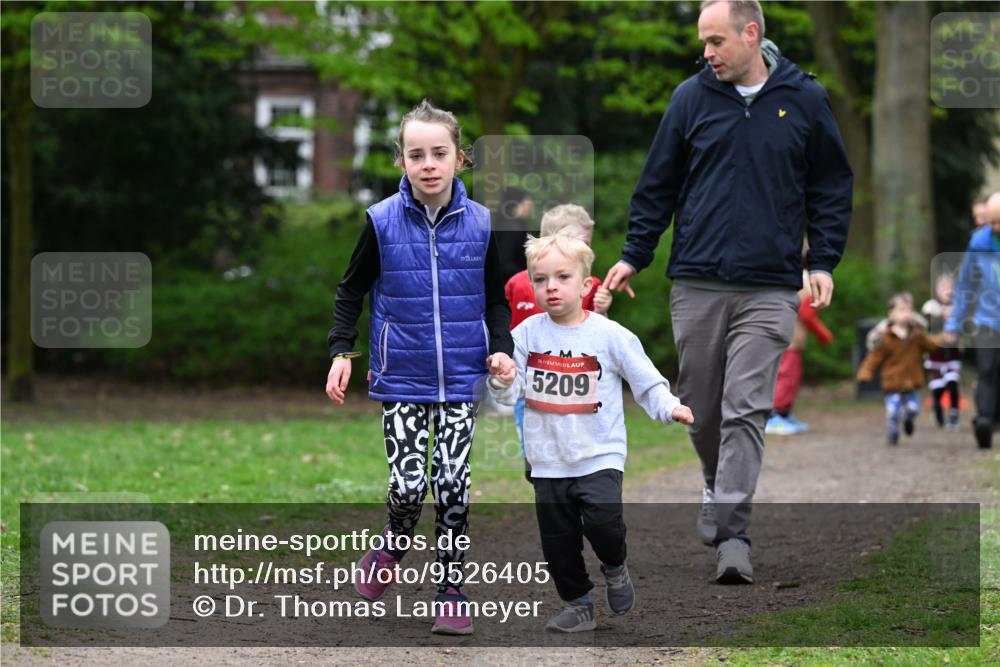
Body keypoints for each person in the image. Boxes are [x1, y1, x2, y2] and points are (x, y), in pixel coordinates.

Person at [603, 0, 853, 584]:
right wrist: (636, 255)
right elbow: (657, 184)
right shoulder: (691, 98)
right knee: (703, 409)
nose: (706, 53)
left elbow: (831, 185)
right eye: (703, 42)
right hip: (696, 280)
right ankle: (717, 485)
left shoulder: (806, 99)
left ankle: (734, 534)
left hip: (770, 285)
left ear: (751, 34)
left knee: (747, 410)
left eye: (716, 41)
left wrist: (825, 259)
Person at [325, 99, 515, 635]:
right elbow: (350, 292)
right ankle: (392, 543)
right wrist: (343, 352)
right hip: (401, 377)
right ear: (402, 162)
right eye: (416, 154)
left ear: (460, 159)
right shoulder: (381, 222)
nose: (428, 163)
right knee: (409, 486)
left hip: (461, 376)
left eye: (439, 153)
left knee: (453, 483)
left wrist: (500, 346)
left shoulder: (482, 223)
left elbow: (497, 299)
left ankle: (451, 589)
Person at [487, 232, 693, 632]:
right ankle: (578, 605)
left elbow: (645, 380)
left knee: (603, 525)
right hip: (547, 460)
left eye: (562, 278)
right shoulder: (525, 335)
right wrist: (502, 378)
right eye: (541, 279)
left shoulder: (609, 335)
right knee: (558, 545)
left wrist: (670, 407)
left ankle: (615, 567)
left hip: (600, 453)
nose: (551, 288)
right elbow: (509, 395)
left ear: (585, 285)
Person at [505, 204, 613, 481]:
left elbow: (600, 331)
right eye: (580, 243)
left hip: (575, 381)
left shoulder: (589, 285)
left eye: (588, 244)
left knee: (575, 440)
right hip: (530, 381)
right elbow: (501, 320)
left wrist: (602, 309)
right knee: (532, 437)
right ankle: (536, 464)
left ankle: (579, 477)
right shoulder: (518, 284)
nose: (588, 251)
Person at [944, 192, 1000, 449]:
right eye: (993, 222)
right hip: (988, 319)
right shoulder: (980, 242)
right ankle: (985, 422)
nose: (996, 228)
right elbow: (966, 284)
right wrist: (953, 324)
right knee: (987, 369)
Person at [857, 293, 945, 445]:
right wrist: (865, 372)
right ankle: (893, 431)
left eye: (909, 310)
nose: (906, 314)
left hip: (911, 382)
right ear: (891, 313)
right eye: (902, 310)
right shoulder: (885, 337)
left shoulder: (917, 334)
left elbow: (930, 345)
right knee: (892, 411)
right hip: (892, 383)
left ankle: (908, 420)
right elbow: (873, 358)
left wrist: (943, 340)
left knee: (913, 408)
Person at [766, 269, 834, 435]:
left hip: (791, 340)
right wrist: (824, 335)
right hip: (788, 339)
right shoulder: (805, 281)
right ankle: (773, 415)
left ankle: (784, 413)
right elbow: (807, 314)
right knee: (786, 377)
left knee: (792, 377)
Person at [922, 273, 962, 429]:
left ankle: (953, 415)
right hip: (935, 356)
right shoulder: (931, 307)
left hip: (953, 354)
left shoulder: (959, 307)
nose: (948, 291)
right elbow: (927, 327)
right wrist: (941, 317)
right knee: (938, 388)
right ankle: (938, 411)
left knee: (953, 383)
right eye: (944, 288)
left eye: (950, 287)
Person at [494, 186, 536, 283]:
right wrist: (527, 278)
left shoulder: (512, 225)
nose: (530, 207)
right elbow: (505, 262)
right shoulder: (510, 228)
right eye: (527, 202)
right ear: (517, 204)